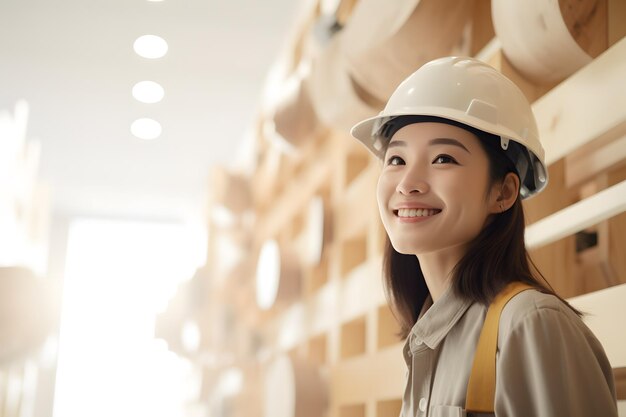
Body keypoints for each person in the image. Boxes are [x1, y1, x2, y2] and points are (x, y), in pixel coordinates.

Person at [350, 57, 617, 416]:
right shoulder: (428, 338)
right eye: (396, 160)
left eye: (443, 158)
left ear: (503, 193)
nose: (408, 183)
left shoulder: (530, 326)